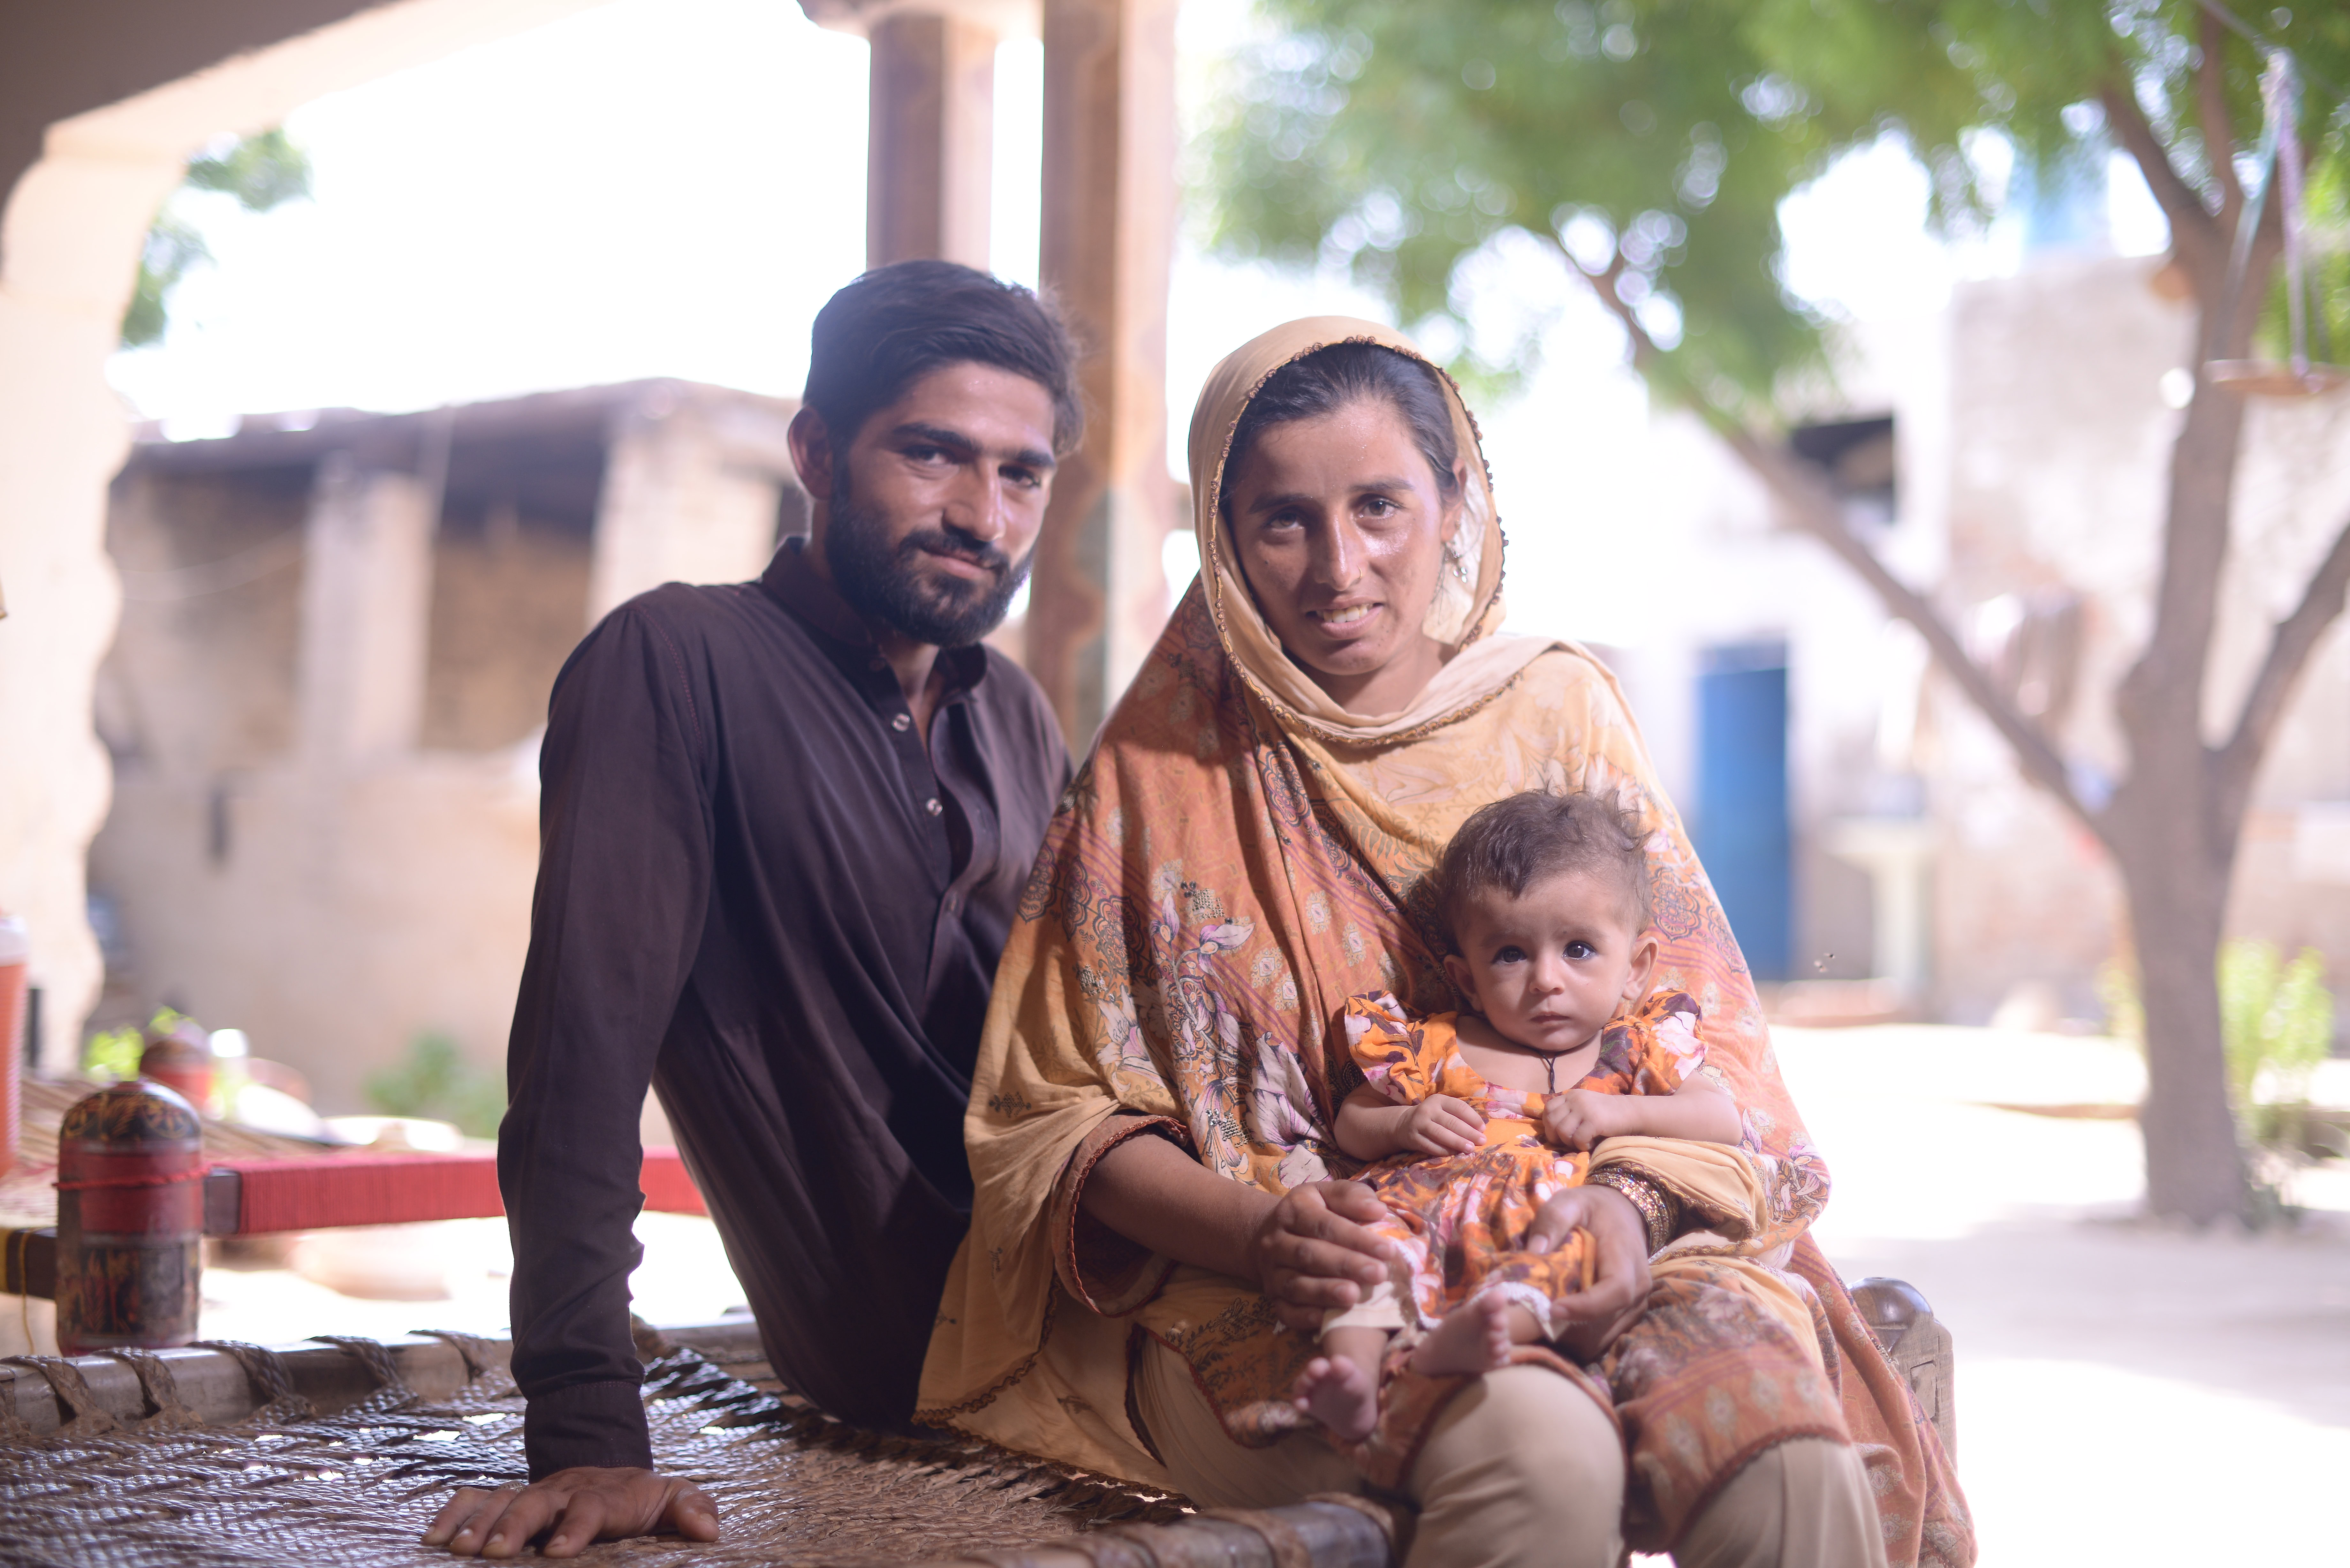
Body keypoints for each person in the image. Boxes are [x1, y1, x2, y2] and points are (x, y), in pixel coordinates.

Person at [919, 324, 1974, 1567]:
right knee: (1541, 1455)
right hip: (1307, 1292)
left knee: (1782, 1461)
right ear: (1218, 535)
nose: (1338, 567)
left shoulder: (1556, 709)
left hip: (1616, 1232)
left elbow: (1708, 1037)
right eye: (1281, 521)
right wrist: (1263, 1232)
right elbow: (1055, 1126)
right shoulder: (1160, 773)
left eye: (1379, 506)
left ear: (1456, 500)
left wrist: (1626, 1205)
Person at [424, 260, 1080, 1560]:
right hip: (917, 1360)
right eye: (933, 455)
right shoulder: (675, 661)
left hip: (1096, 1280)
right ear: (815, 452)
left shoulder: (1013, 716)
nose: (980, 512)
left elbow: (1068, 1058)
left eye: (1022, 474)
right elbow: (580, 1062)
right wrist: (588, 1425)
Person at [1294, 788, 1743, 1443]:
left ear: (1634, 967)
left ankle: (1464, 1343)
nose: (1545, 979)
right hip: (1429, 1215)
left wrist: (1617, 1111)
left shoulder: (1636, 1046)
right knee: (1364, 1257)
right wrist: (1402, 1123)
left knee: (1570, 1262)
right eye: (1509, 954)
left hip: (1547, 1224)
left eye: (1579, 949)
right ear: (1468, 978)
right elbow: (1352, 1121)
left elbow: (1721, 1118)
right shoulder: (1437, 1043)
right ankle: (1354, 1378)